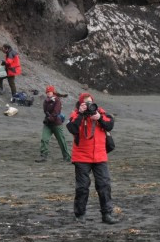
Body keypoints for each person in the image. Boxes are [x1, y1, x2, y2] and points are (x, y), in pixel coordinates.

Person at [65, 92, 117, 224]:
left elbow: (110, 125)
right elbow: (72, 128)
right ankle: (80, 214)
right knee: (82, 187)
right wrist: (81, 114)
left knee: (104, 185)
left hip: (99, 156)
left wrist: (99, 118)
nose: (88, 106)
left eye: (90, 102)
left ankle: (107, 214)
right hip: (82, 156)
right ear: (81, 104)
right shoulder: (76, 114)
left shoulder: (100, 113)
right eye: (85, 103)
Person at [36, 86, 72, 162]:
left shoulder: (57, 100)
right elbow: (45, 111)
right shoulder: (45, 101)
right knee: (44, 139)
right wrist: (48, 119)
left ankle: (67, 157)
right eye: (47, 92)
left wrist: (49, 118)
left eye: (50, 91)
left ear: (53, 92)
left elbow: (56, 112)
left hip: (56, 124)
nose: (48, 93)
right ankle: (43, 156)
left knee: (61, 141)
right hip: (48, 124)